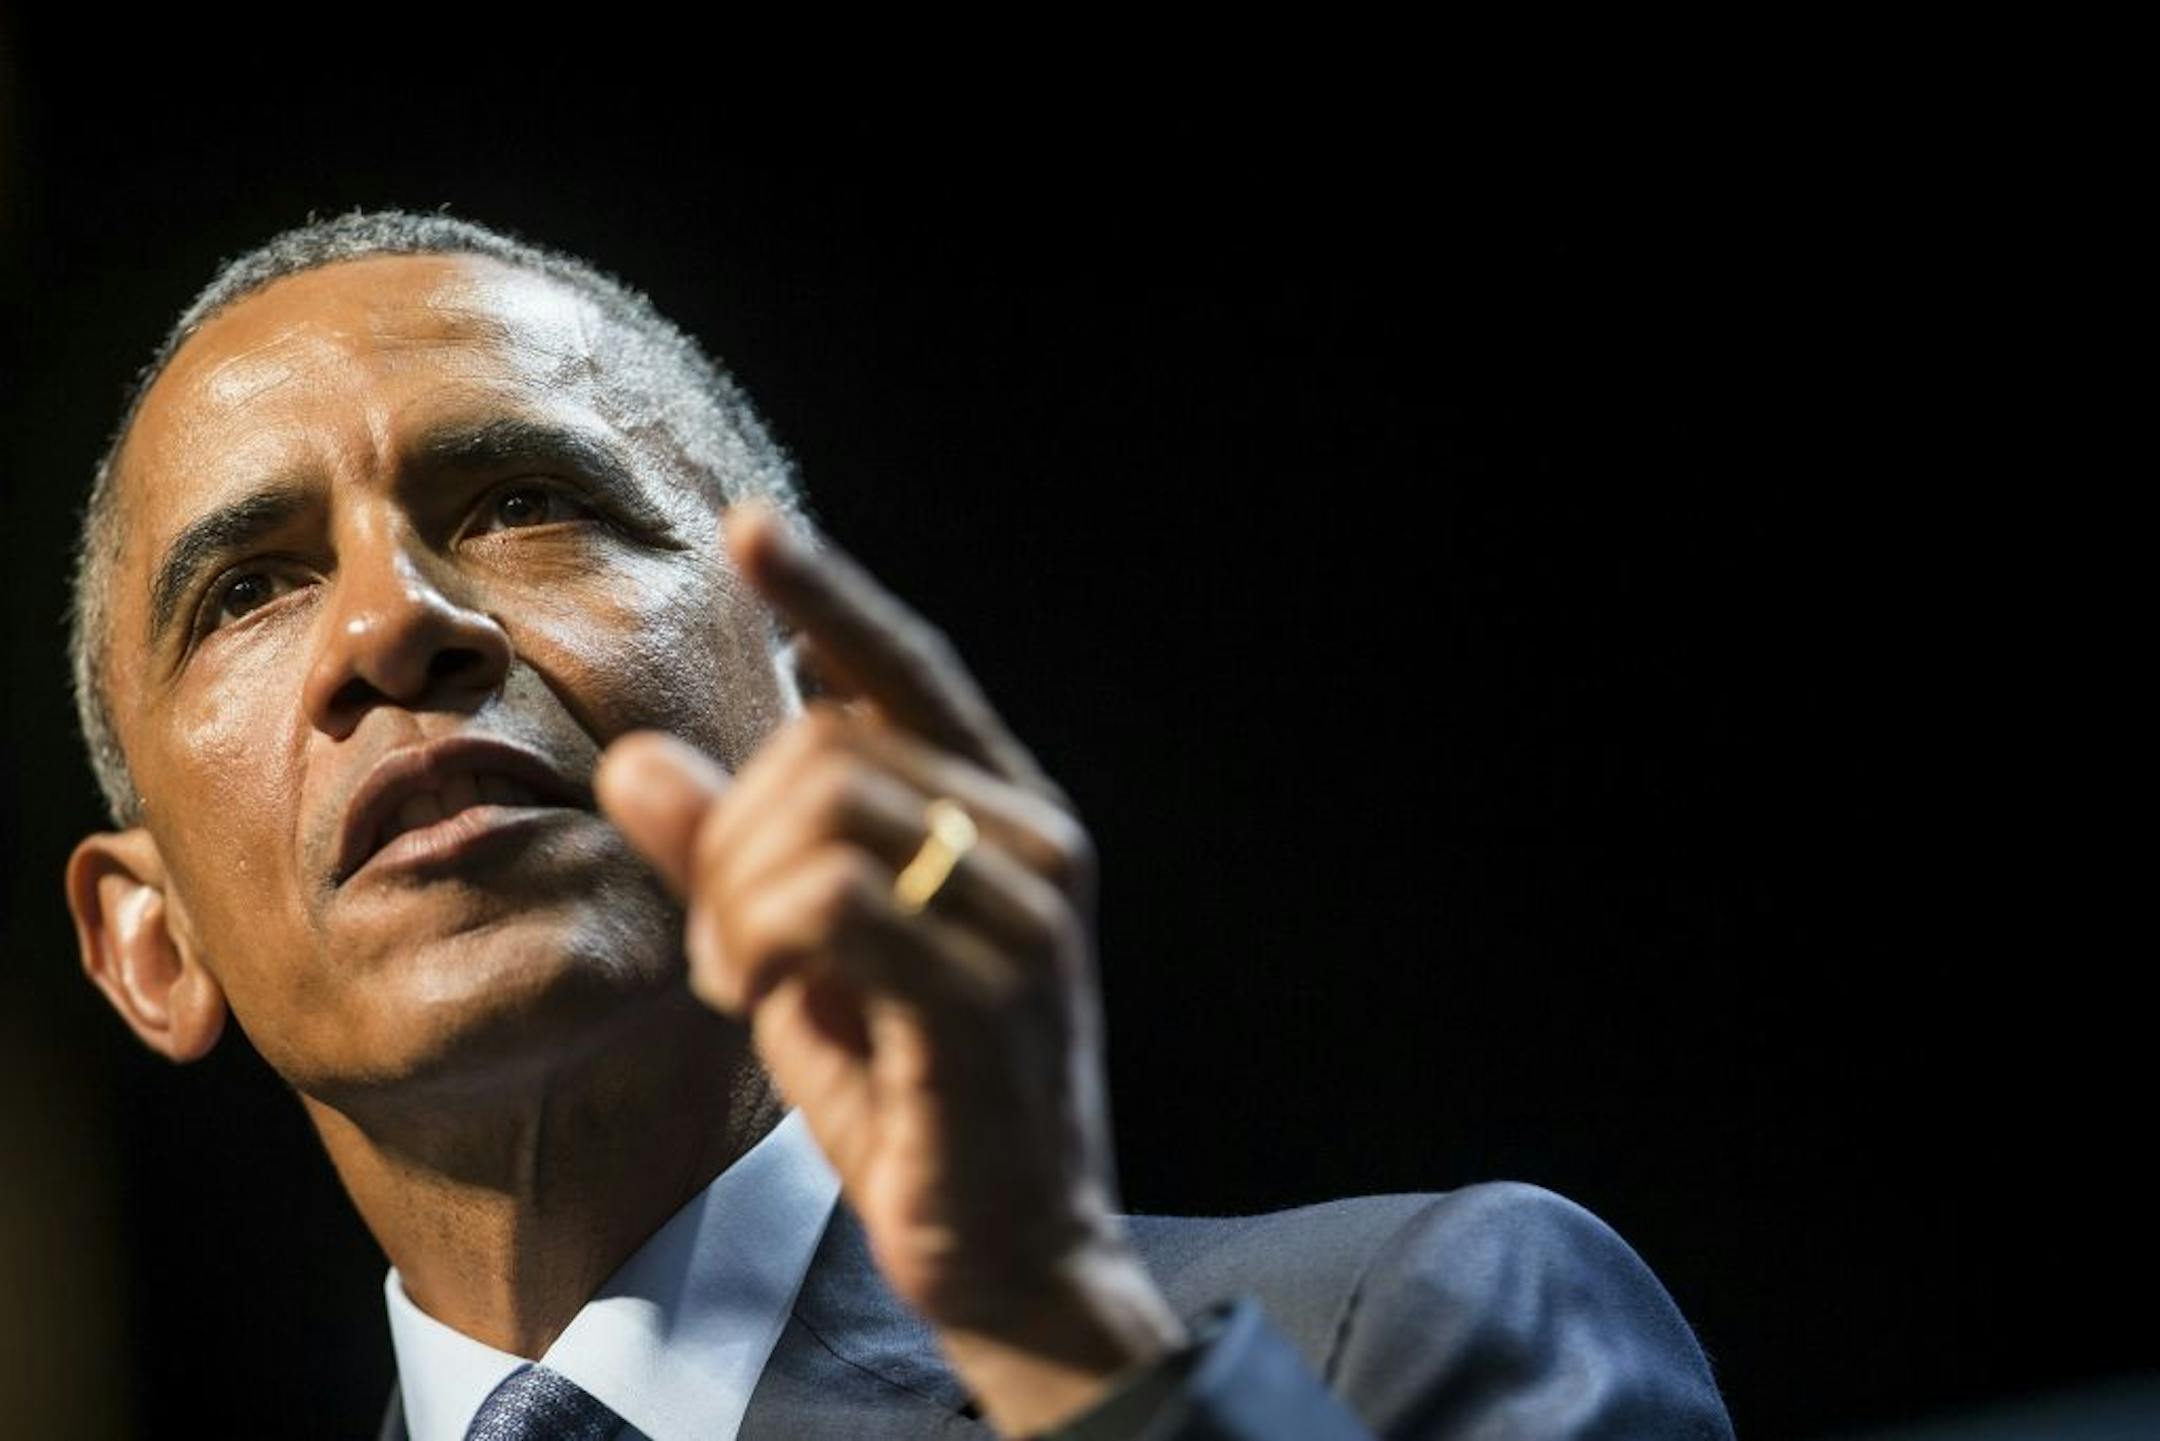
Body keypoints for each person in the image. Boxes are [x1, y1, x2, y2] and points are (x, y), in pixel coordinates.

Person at [60, 208, 1735, 1440]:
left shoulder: (1405, 1336)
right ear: (150, 944)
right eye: (248, 590)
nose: (390, 624)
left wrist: (1063, 1335)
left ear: (829, 707)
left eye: (522, 501)